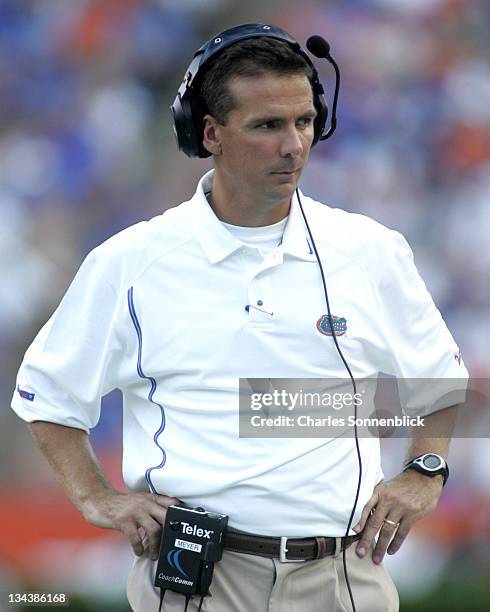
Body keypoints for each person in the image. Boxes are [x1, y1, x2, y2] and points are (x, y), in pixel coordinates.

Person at [12, 24, 468, 612]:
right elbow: (45, 396)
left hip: (344, 576)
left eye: (304, 122)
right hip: (194, 578)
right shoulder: (129, 262)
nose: (294, 144)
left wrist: (425, 470)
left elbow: (442, 378)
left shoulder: (372, 250)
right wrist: (97, 498)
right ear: (210, 134)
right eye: (267, 125)